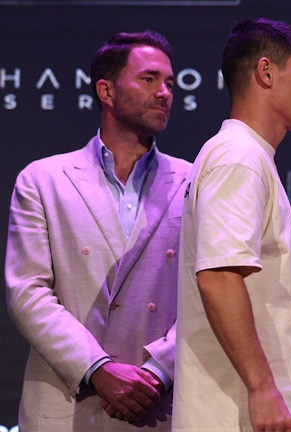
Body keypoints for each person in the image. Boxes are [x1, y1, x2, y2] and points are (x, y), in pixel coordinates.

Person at [5, 30, 191, 431]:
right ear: (106, 91)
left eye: (170, 83)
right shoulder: (43, 179)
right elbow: (27, 290)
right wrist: (98, 368)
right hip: (68, 399)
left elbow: (207, 293)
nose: (164, 92)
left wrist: (159, 371)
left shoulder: (194, 181)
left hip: (159, 401)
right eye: (149, 79)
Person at [172, 18, 291, 432]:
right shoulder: (239, 158)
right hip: (235, 414)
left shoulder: (245, 156)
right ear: (266, 72)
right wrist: (261, 389)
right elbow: (218, 277)